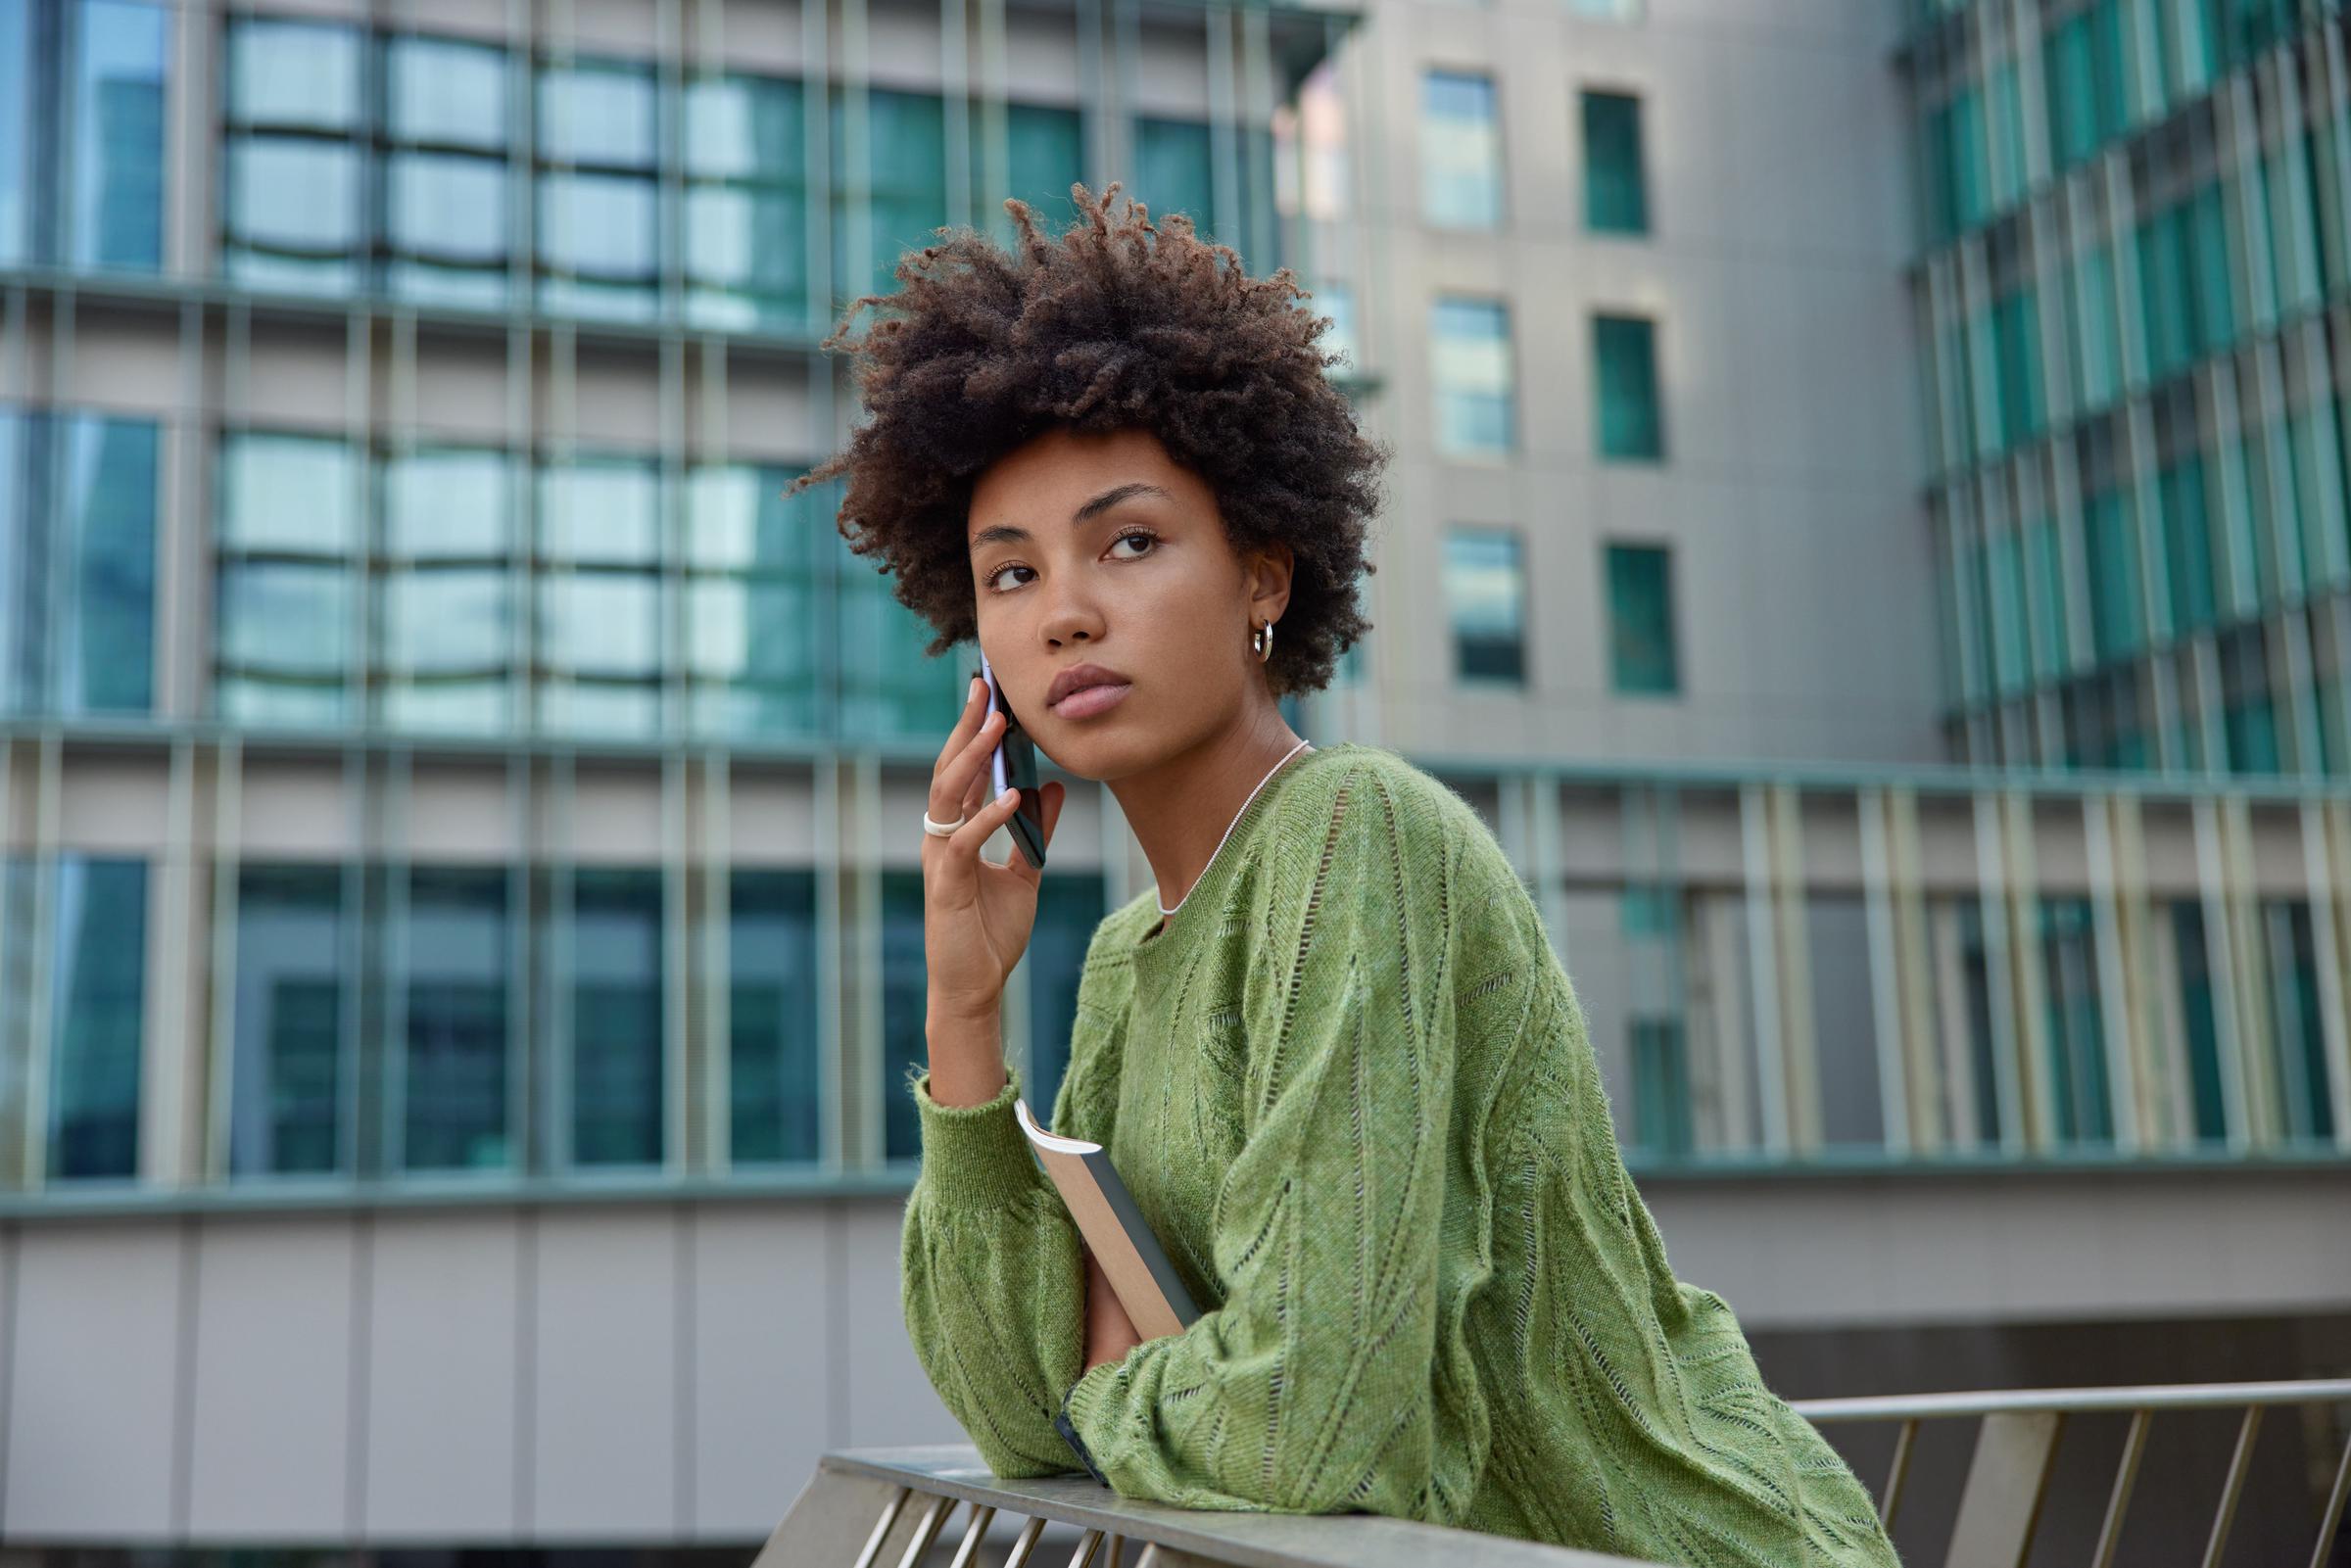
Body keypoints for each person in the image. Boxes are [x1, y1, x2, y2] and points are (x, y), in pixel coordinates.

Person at [786, 182, 1901, 1565]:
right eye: (1008, 574)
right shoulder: (1128, 960)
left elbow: (1302, 1428)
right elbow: (1014, 1418)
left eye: (1129, 542)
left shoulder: (1354, 836)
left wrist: (1102, 1390)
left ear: (1263, 577)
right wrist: (965, 1017)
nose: (1064, 612)